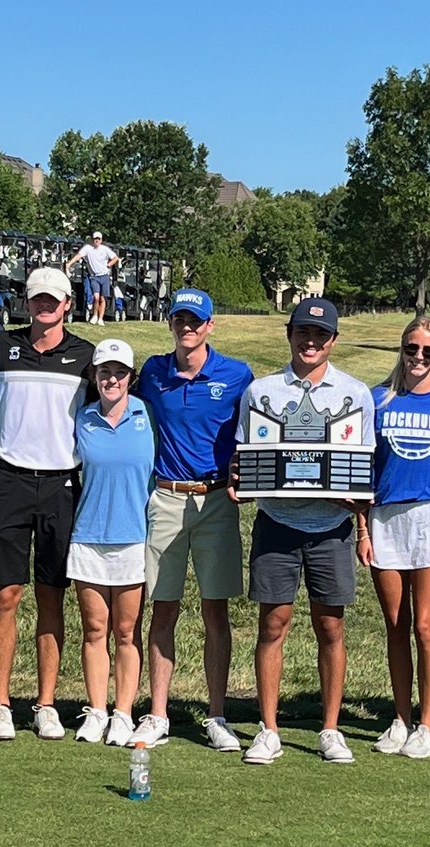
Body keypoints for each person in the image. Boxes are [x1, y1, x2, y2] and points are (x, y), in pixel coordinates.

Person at [231, 299, 375, 765]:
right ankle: (269, 729)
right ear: (288, 334)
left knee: (330, 626)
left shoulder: (355, 394)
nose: (310, 341)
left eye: (320, 334)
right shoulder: (261, 391)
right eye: (302, 332)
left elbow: (362, 469)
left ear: (333, 340)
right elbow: (247, 456)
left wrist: (360, 519)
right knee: (273, 624)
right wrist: (241, 479)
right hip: (277, 521)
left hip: (331, 528)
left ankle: (330, 730)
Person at [0, 267, 95, 741]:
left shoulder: (85, 356)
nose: (45, 307)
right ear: (27, 302)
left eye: (53, 300)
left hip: (63, 485)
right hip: (12, 482)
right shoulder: (4, 346)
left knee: (51, 595)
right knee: (5, 594)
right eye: (37, 299)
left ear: (67, 304)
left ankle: (45, 703)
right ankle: (0, 703)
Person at [130, 289, 254, 751]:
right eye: (180, 319)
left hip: (216, 501)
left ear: (209, 326)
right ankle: (158, 713)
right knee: (162, 608)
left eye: (195, 321)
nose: (187, 328)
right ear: (171, 324)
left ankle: (217, 713)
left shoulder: (237, 375)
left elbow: (255, 435)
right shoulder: (154, 373)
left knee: (215, 610)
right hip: (164, 498)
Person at [356, 317, 430, 760]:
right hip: (385, 518)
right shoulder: (376, 401)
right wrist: (362, 529)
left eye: (428, 352)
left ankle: (428, 725)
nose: (418, 358)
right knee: (396, 626)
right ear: (401, 350)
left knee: (425, 626)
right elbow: (363, 472)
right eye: (411, 348)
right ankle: (400, 718)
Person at [68, 339, 155, 746]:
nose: (112, 379)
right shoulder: (81, 418)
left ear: (130, 378)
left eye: (119, 372)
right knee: (93, 629)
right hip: (87, 536)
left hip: (133, 537)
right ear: (94, 376)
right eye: (104, 372)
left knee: (125, 630)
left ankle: (123, 713)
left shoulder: (147, 415)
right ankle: (97, 711)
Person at [64, 231, 119, 325]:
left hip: (104, 276)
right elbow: (78, 256)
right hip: (94, 276)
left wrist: (109, 265)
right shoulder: (88, 249)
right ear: (92, 240)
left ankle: (101, 318)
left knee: (102, 298)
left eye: (98, 239)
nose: (97, 240)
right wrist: (69, 264)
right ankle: (95, 315)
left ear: (101, 240)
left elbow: (115, 258)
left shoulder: (105, 249)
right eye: (95, 239)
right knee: (96, 297)